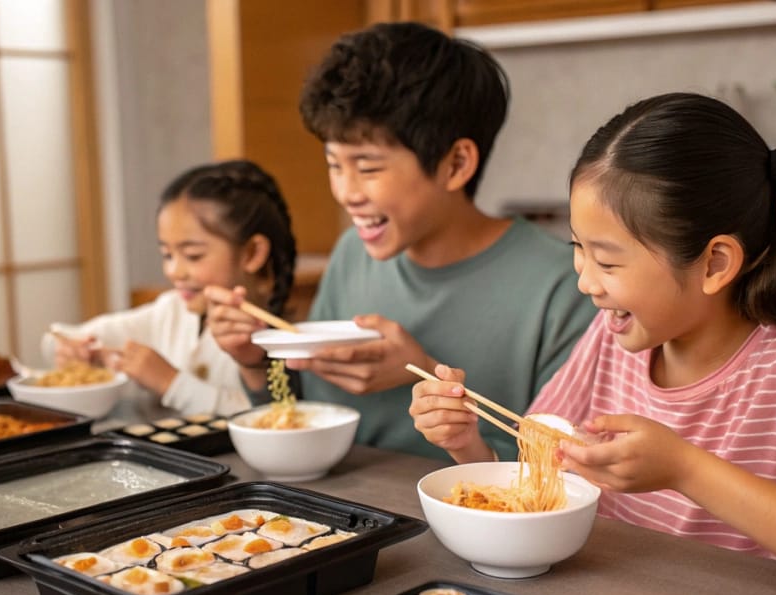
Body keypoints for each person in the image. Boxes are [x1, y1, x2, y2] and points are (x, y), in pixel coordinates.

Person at [409, 92, 776, 595]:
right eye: (578, 250)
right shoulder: (613, 341)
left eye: (609, 263)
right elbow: (537, 488)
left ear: (714, 264)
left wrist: (687, 469)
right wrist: (468, 446)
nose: (585, 282)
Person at [206, 21, 596, 460]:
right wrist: (254, 362)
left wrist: (427, 376)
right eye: (335, 165)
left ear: (456, 164)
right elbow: (301, 416)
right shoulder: (353, 252)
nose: (347, 193)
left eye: (368, 167)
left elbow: (560, 474)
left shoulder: (564, 286)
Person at [43, 159, 297, 417]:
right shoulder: (171, 311)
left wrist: (170, 383)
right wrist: (72, 350)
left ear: (252, 253)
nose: (174, 271)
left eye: (193, 255)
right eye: (167, 255)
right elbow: (59, 336)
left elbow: (271, 416)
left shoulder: (282, 335)